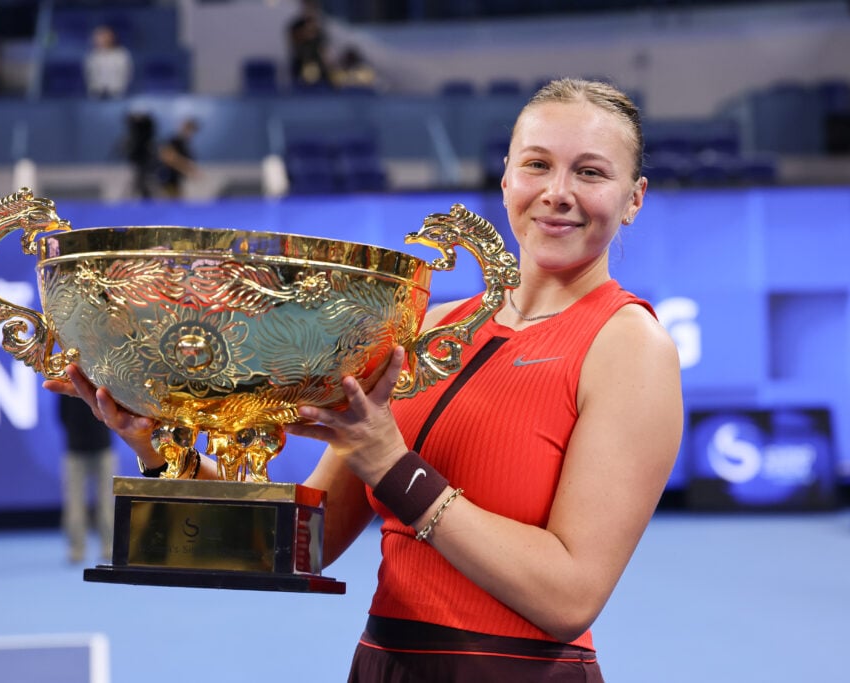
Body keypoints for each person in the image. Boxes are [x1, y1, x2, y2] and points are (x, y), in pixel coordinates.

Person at [45, 77, 684, 681]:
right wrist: (156, 444)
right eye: (537, 165)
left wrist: (392, 466)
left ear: (634, 199)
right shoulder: (428, 326)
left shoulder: (629, 344)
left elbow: (569, 597)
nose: (558, 192)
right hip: (384, 666)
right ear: (507, 177)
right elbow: (300, 548)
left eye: (591, 172)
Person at [58, 394, 117, 564]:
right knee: (88, 502)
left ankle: (79, 549)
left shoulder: (67, 380)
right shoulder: (98, 381)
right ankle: (106, 547)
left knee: (84, 501)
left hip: (86, 447)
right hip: (86, 448)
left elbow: (61, 415)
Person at [286, 0, 333, 89]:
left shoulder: (319, 26)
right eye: (308, 7)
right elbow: (293, 42)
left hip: (318, 63)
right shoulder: (296, 26)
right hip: (300, 62)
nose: (310, 10)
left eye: (312, 8)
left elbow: (323, 45)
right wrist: (305, 34)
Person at [83, 25, 133, 99]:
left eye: (104, 36)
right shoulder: (91, 56)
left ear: (112, 37)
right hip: (96, 95)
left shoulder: (122, 55)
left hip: (118, 94)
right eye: (98, 37)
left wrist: (116, 90)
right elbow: (89, 77)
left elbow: (127, 75)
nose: (100, 39)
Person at [158, 118, 199, 199]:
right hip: (167, 179)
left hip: (176, 180)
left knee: (177, 202)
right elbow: (168, 157)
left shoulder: (185, 144)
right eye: (189, 130)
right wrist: (187, 168)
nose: (190, 134)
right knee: (170, 204)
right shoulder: (174, 141)